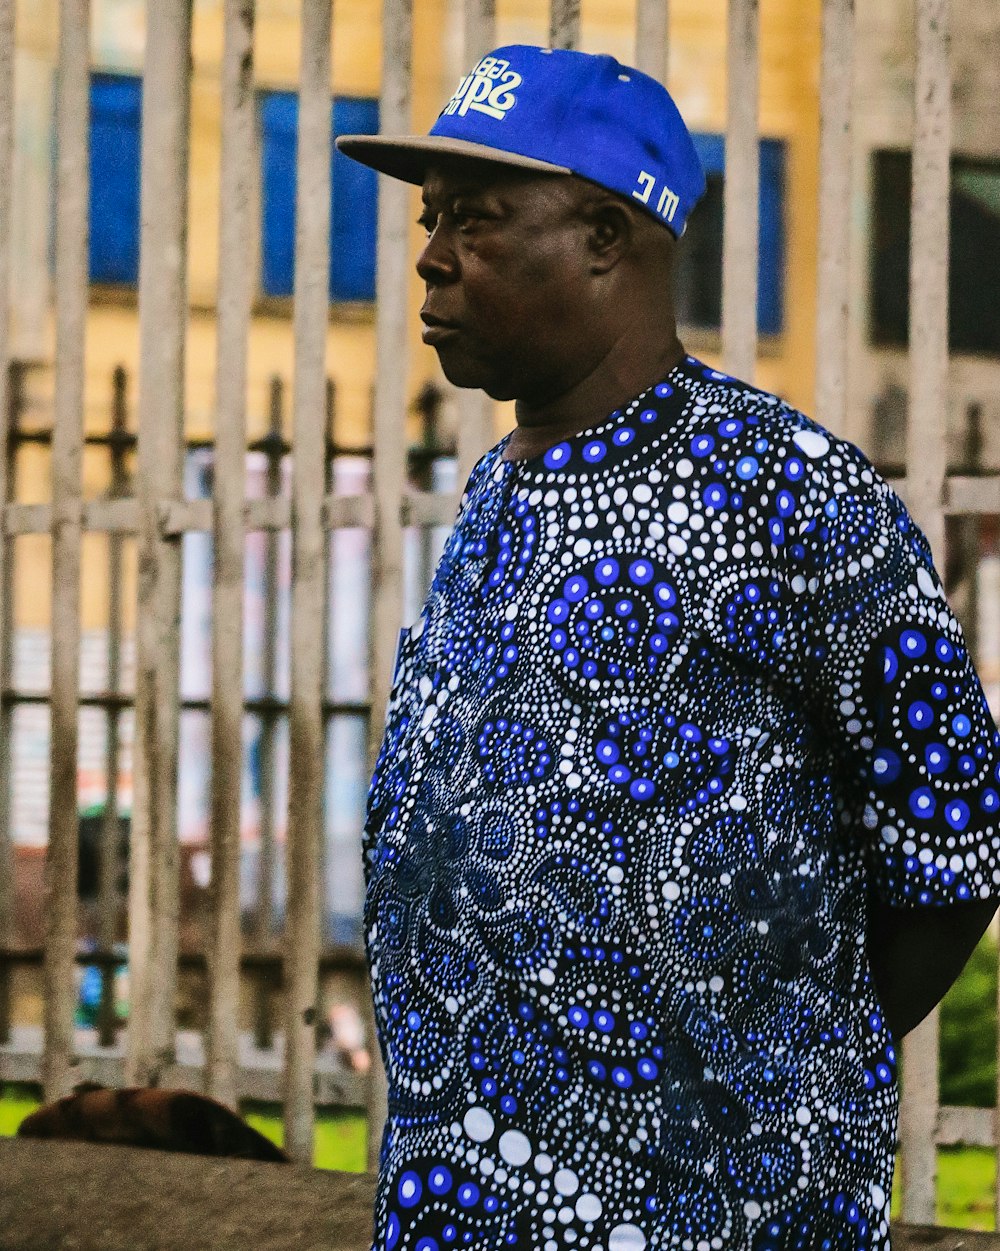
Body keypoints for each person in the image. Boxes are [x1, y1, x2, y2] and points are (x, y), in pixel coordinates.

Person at [338, 44, 1000, 1251]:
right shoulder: (495, 492)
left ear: (603, 237)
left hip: (717, 1215)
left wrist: (769, 1079)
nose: (429, 256)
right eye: (430, 219)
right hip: (462, 1205)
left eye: (475, 221)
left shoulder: (789, 494)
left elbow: (948, 844)